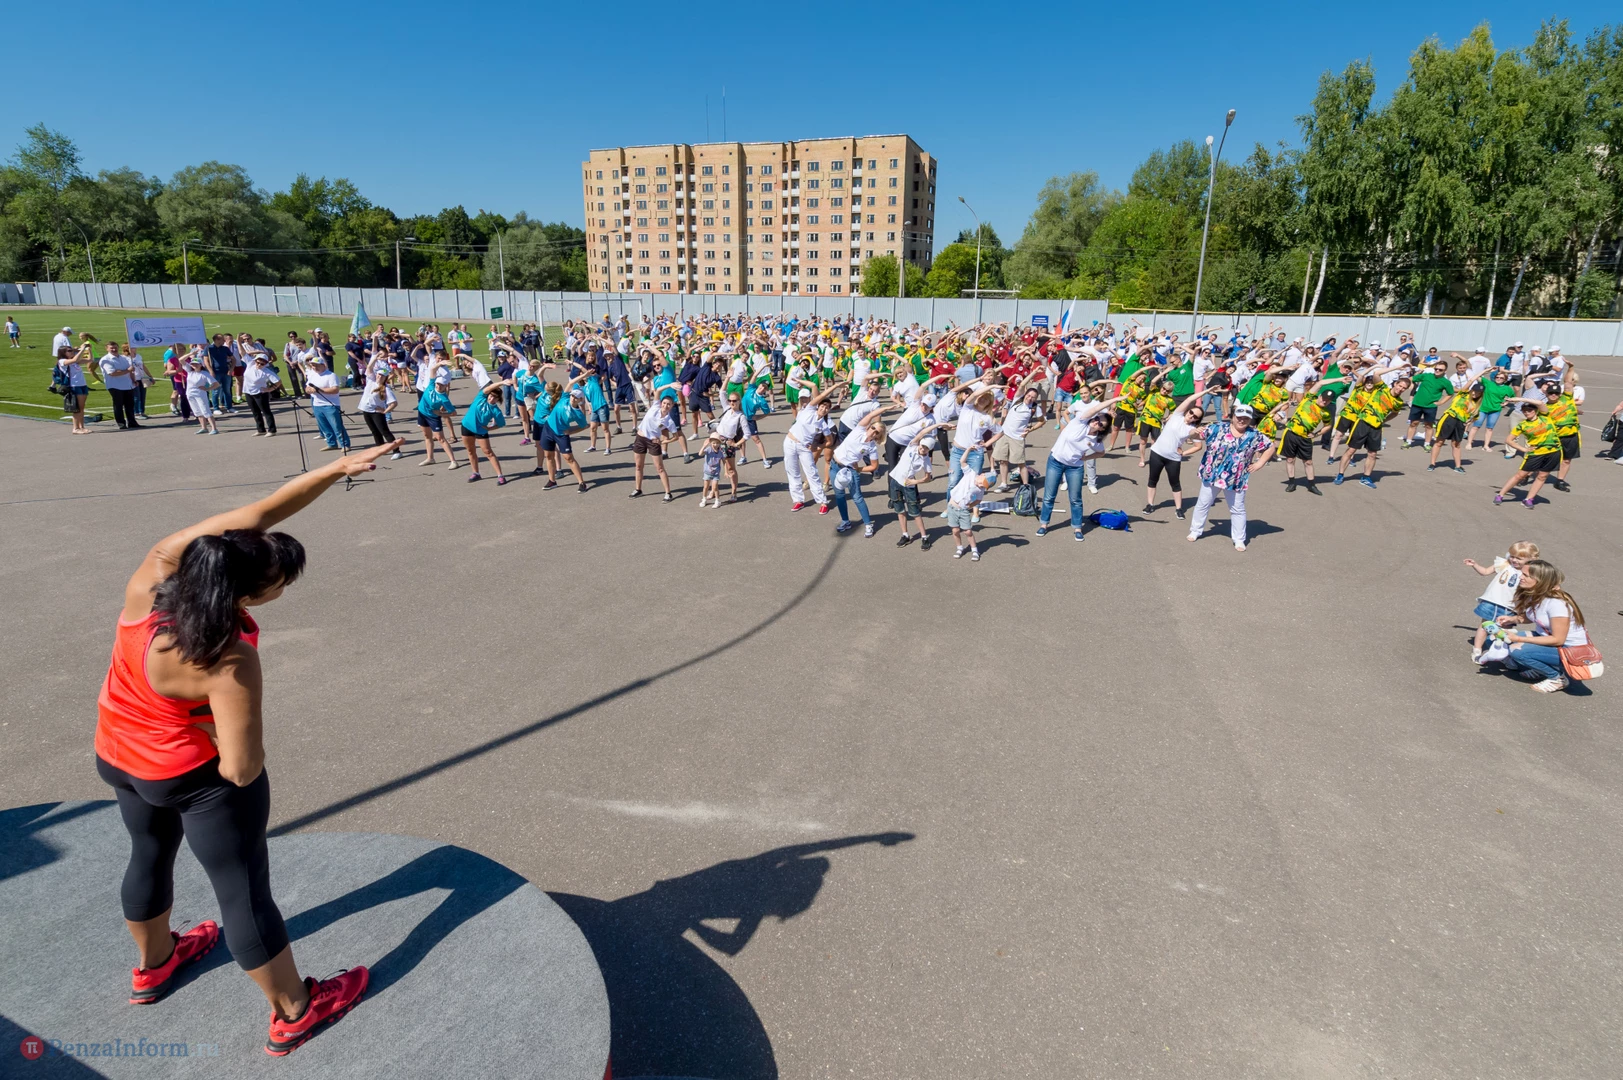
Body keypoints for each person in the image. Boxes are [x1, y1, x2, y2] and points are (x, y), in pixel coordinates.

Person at [95, 440, 394, 1055]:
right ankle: (295, 1009)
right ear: (249, 596)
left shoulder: (153, 578)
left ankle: (155, 964)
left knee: (148, 854)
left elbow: (257, 515)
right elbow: (239, 766)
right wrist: (212, 734)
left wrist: (336, 469)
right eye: (280, 580)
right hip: (191, 778)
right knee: (243, 890)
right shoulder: (228, 659)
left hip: (119, 756)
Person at [1187, 403, 1275, 552]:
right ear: (1233, 416)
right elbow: (1195, 435)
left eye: (1245, 418)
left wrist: (1260, 463)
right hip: (1212, 474)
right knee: (1203, 504)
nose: (1242, 420)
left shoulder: (1254, 435)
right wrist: (1194, 432)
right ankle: (1195, 530)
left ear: (1250, 419)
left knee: (1237, 509)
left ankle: (1239, 539)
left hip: (1236, 478)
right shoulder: (1217, 428)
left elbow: (1270, 447)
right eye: (1239, 417)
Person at [1492, 559, 1589, 693]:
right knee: (1503, 638)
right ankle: (1540, 666)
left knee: (1517, 650)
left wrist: (1519, 639)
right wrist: (1512, 619)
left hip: (1570, 650)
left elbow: (1558, 640)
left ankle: (1557, 678)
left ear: (1540, 581)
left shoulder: (1556, 604)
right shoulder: (1537, 595)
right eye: (1522, 573)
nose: (1520, 577)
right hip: (1552, 643)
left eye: (1526, 575)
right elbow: (1534, 616)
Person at [1035, 396, 1116, 541]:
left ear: (1102, 429)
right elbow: (1095, 409)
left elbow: (1101, 453)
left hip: (1075, 468)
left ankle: (1077, 528)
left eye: (1100, 423)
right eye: (1096, 419)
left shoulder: (1096, 440)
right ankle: (1044, 524)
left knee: (1075, 499)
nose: (1096, 422)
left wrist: (1086, 458)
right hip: (1055, 461)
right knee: (1049, 496)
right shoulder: (1080, 422)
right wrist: (1117, 399)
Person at [1464, 541, 1538, 662]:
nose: (1514, 560)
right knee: (1485, 626)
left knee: (1504, 632)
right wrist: (1475, 565)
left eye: (1519, 558)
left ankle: (1501, 655)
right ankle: (1477, 649)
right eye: (1512, 556)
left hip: (1511, 607)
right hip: (1493, 601)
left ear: (1532, 559)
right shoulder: (1504, 564)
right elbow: (1485, 571)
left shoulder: (1530, 574)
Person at [1143, 394, 1205, 518]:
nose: (1191, 416)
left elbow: (1198, 446)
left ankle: (1179, 509)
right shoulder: (1176, 416)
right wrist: (1207, 390)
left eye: (1195, 417)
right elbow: (1189, 399)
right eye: (1191, 412)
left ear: (1196, 420)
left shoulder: (1192, 428)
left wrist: (1184, 453)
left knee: (1175, 483)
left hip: (1173, 459)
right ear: (1188, 410)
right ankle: (1150, 504)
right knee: (1152, 480)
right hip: (1157, 453)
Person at [1495, 399, 1562, 508]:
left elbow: (1540, 403)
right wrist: (1523, 449)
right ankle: (1500, 495)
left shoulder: (1545, 417)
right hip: (1536, 453)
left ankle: (1528, 499)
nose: (1527, 412)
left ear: (1535, 410)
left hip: (1553, 452)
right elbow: (1508, 440)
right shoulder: (1523, 425)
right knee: (1520, 475)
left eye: (1529, 410)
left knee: (1542, 476)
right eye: (1524, 411)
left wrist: (1519, 399)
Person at [629, 396, 681, 501]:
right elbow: (657, 391)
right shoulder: (655, 407)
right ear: (661, 403)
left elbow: (676, 437)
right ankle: (638, 489)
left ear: (672, 406)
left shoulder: (669, 421)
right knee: (638, 466)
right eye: (664, 403)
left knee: (660, 468)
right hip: (640, 439)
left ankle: (668, 493)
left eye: (669, 404)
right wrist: (668, 387)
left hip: (653, 442)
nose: (666, 406)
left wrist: (663, 442)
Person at [460, 383, 509, 484]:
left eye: (495, 397)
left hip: (480, 431)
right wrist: (502, 382)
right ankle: (476, 473)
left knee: (488, 452)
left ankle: (500, 476)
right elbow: (488, 388)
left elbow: (501, 423)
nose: (492, 399)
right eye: (491, 396)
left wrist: (489, 428)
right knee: (470, 451)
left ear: (498, 399)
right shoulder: (481, 398)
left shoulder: (496, 410)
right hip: (466, 427)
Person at [301, 353, 350, 452]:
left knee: (337, 426)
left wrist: (319, 390)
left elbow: (335, 390)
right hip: (317, 404)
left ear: (323, 365)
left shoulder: (331, 375)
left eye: (316, 365)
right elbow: (307, 387)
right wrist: (308, 390)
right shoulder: (313, 375)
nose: (314, 367)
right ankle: (331, 443)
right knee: (324, 426)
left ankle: (345, 444)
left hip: (330, 405)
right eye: (313, 365)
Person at [946, 465, 991, 561]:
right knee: (955, 530)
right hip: (952, 507)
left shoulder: (980, 489)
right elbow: (962, 462)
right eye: (982, 483)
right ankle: (959, 548)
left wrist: (969, 506)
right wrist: (967, 453)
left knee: (968, 531)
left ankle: (975, 550)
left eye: (984, 486)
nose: (981, 486)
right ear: (982, 475)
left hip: (963, 510)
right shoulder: (970, 474)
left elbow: (978, 500)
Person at [99, 339, 142, 430]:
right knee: (118, 405)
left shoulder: (123, 358)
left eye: (115, 347)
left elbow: (130, 370)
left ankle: (132, 422)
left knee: (130, 405)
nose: (114, 349)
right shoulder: (105, 359)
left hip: (128, 385)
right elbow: (112, 373)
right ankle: (121, 423)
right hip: (115, 386)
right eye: (111, 348)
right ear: (107, 349)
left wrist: (133, 380)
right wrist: (127, 371)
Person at [358, 374, 402, 457]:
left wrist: (385, 411)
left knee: (384, 432)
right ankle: (380, 449)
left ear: (385, 378)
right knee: (375, 431)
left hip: (376, 413)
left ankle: (397, 451)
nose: (380, 377)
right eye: (378, 375)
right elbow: (369, 369)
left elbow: (394, 403)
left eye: (382, 376)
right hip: (366, 411)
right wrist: (374, 363)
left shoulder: (386, 388)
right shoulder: (371, 381)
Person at [242, 351, 280, 437]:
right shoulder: (250, 364)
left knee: (266, 412)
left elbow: (278, 381)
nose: (259, 365)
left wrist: (270, 389)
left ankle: (272, 430)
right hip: (248, 392)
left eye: (262, 364)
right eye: (258, 362)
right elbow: (242, 352)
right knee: (255, 412)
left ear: (265, 364)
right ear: (255, 361)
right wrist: (239, 343)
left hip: (260, 393)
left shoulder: (267, 371)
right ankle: (261, 429)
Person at [59, 342, 94, 434]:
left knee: (82, 408)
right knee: (77, 408)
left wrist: (89, 349)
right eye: (69, 351)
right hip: (74, 386)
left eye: (72, 350)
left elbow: (90, 359)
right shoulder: (62, 361)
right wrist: (82, 349)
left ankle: (82, 427)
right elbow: (75, 359)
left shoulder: (75, 361)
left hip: (82, 385)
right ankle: (75, 428)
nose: (71, 352)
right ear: (63, 353)